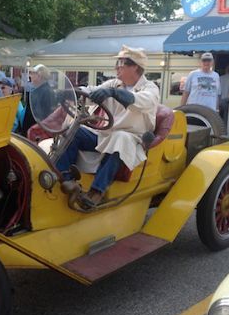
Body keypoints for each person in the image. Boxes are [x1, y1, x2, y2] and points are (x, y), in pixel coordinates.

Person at [57, 45, 159, 208]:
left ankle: (97, 191)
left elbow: (140, 101)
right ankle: (65, 178)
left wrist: (114, 93)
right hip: (106, 134)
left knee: (121, 138)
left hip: (132, 137)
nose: (116, 67)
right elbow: (92, 92)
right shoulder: (114, 84)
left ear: (135, 67)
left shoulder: (150, 89)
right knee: (74, 129)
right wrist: (72, 92)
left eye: (121, 63)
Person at [21, 64, 55, 135]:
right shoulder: (39, 90)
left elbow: (45, 115)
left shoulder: (46, 91)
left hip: (36, 132)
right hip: (32, 130)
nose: (30, 76)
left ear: (39, 76)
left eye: (33, 73)